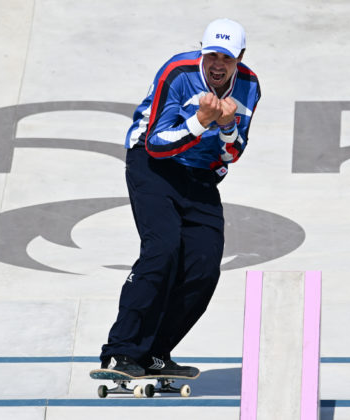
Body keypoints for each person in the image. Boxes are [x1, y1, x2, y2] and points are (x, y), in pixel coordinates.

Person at [99, 18, 261, 377]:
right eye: (212, 55)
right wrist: (201, 121)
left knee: (204, 266)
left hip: (200, 177)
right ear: (202, 51)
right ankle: (122, 351)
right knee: (163, 250)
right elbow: (156, 143)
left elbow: (232, 153)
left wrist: (227, 126)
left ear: (240, 58)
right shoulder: (177, 72)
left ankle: (155, 353)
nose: (218, 64)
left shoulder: (249, 86)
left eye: (227, 58)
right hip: (152, 166)